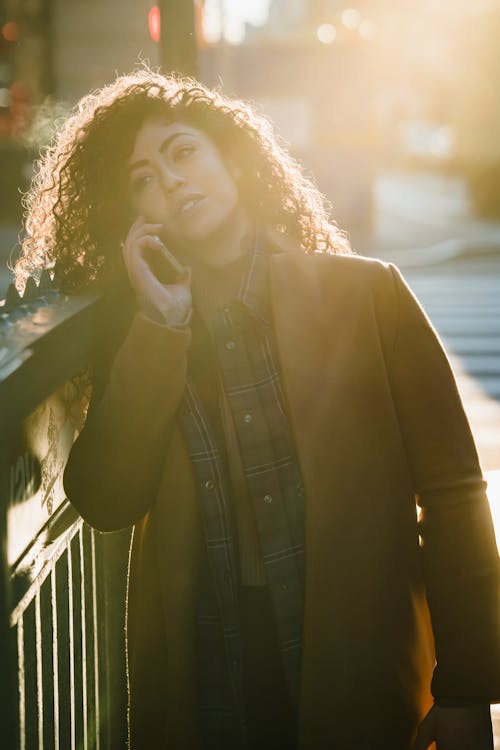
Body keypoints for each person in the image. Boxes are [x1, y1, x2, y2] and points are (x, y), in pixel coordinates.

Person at [16, 67, 499, 749]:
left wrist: (470, 687)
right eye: (142, 179)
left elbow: (454, 496)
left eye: (184, 153)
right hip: (210, 682)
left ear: (233, 160)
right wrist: (162, 327)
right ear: (134, 216)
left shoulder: (369, 296)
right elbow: (107, 499)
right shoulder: (146, 331)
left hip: (357, 671)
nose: (171, 181)